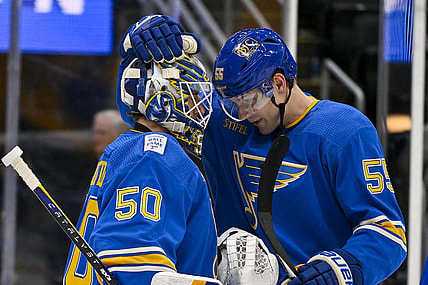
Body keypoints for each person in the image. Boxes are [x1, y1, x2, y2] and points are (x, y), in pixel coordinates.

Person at [122, 15, 407, 285]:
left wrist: (341, 268)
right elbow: (142, 111)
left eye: (249, 99)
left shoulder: (344, 130)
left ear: (279, 84)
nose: (243, 113)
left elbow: (388, 234)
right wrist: (138, 42)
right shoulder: (226, 124)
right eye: (234, 103)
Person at [63, 47, 218, 283]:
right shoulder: (156, 154)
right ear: (161, 99)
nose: (199, 108)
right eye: (189, 96)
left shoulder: (132, 149)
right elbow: (134, 267)